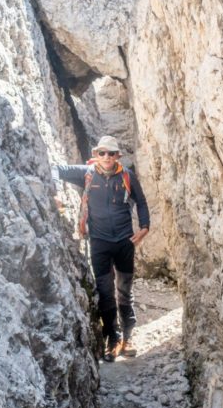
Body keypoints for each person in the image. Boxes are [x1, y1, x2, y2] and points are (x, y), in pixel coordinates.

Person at [53, 135, 150, 362]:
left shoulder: (127, 176)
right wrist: (54, 193)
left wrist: (145, 226)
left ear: (118, 156)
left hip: (125, 243)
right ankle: (112, 339)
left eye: (111, 153)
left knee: (124, 291)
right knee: (105, 292)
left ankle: (128, 337)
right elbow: (55, 169)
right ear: (96, 155)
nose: (107, 157)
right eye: (102, 153)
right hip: (99, 243)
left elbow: (142, 201)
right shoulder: (87, 174)